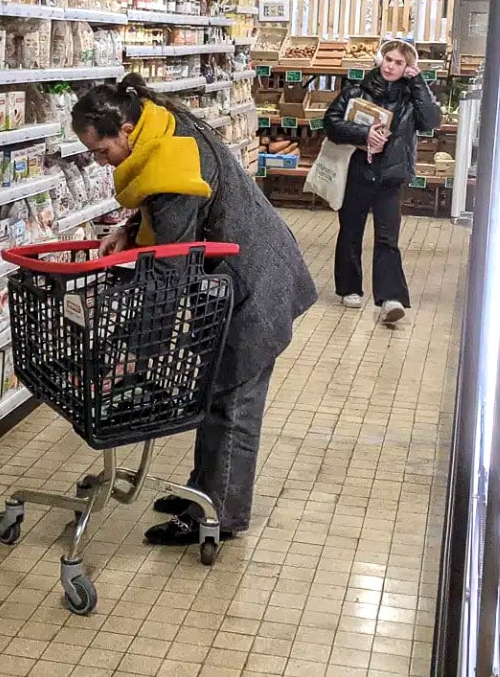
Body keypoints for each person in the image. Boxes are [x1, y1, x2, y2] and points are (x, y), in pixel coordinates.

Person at [71, 73, 318, 547]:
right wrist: (131, 225)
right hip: (239, 272)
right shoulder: (161, 124)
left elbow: (170, 270)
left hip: (255, 283)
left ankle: (218, 516)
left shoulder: (170, 160)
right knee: (216, 390)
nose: (101, 163)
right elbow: (160, 201)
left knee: (234, 400)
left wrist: (136, 353)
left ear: (124, 130)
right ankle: (203, 492)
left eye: (102, 152)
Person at [322, 38, 443, 324]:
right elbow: (331, 123)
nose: (391, 66)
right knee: (350, 231)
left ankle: (391, 299)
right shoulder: (357, 90)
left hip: (391, 175)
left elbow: (431, 120)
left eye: (399, 63)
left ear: (408, 66)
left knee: (388, 238)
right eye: (388, 59)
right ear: (380, 59)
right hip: (358, 171)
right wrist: (362, 135)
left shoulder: (412, 97)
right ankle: (349, 287)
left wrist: (419, 83)